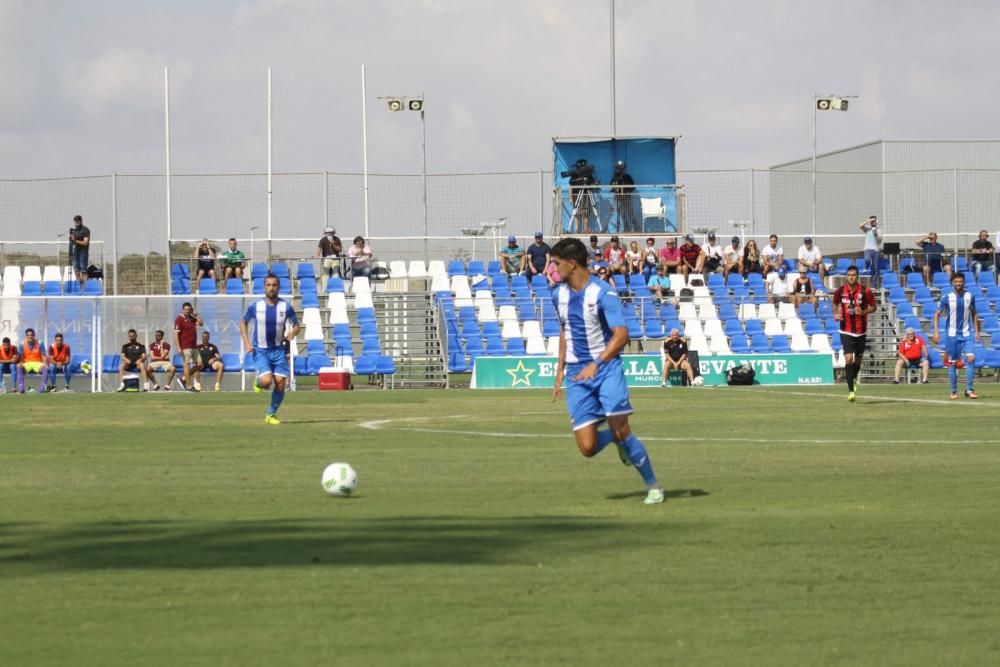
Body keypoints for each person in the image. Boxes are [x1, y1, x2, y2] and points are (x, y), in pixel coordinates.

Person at [548, 237, 664, 505]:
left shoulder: (603, 293)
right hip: (578, 375)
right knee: (587, 448)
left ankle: (653, 486)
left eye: (556, 263)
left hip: (606, 369)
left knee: (623, 429)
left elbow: (622, 335)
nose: (553, 269)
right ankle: (614, 438)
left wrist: (596, 364)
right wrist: (560, 370)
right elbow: (565, 329)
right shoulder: (558, 294)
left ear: (571, 263)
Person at [240, 274, 301, 425]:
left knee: (281, 383)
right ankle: (258, 382)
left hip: (279, 350)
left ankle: (271, 415)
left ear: (278, 287)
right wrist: (247, 343)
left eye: (274, 285)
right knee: (267, 381)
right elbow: (243, 322)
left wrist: (292, 333)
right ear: (264, 287)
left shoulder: (285, 307)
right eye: (268, 285)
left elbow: (297, 325)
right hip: (261, 350)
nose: (271, 288)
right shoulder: (256, 306)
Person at [932, 272, 981, 400]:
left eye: (960, 281)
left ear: (964, 282)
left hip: (966, 333)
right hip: (951, 335)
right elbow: (936, 314)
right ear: (952, 283)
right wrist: (936, 332)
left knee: (971, 359)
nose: (958, 284)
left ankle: (969, 389)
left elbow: (974, 313)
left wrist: (976, 331)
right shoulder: (946, 297)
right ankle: (953, 391)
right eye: (956, 281)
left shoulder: (970, 296)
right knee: (952, 363)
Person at [832, 266, 877, 402]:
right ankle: (851, 391)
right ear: (846, 276)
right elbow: (834, 303)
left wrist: (863, 312)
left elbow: (874, 307)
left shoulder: (865, 291)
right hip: (845, 330)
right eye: (849, 274)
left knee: (857, 361)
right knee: (848, 359)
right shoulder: (840, 291)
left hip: (860, 331)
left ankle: (853, 379)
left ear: (857, 276)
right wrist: (835, 314)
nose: (851, 277)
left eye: (853, 275)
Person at [174, 302, 204, 391]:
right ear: (183, 310)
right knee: (186, 365)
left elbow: (201, 324)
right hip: (185, 346)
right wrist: (179, 347)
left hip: (194, 346)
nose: (187, 311)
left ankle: (183, 379)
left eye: (189, 309)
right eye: (186, 309)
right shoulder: (179, 319)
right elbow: (176, 334)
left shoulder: (192, 318)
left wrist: (196, 315)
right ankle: (189, 386)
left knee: (199, 364)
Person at [17, 328, 49, 394]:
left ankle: (43, 388)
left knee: (45, 368)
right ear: (26, 336)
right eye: (28, 335)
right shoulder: (22, 344)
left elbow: (43, 354)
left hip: (38, 363)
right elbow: (20, 356)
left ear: (34, 335)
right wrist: (20, 363)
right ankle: (21, 388)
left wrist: (45, 363)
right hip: (26, 363)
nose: (30, 336)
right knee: (18, 367)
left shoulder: (40, 342)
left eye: (31, 335)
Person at [609, 160, 637, 232]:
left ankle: (635, 228)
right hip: (618, 198)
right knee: (622, 214)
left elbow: (632, 187)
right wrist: (615, 189)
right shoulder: (615, 177)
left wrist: (628, 190)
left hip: (627, 198)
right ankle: (626, 228)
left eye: (622, 168)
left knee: (630, 213)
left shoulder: (628, 177)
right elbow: (611, 187)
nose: (621, 170)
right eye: (619, 168)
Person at [315, 226, 343, 292]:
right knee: (325, 273)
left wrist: (333, 244)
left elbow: (340, 249)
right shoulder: (323, 240)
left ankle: (335, 287)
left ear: (334, 233)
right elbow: (319, 248)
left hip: (335, 259)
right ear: (325, 233)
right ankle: (325, 288)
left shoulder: (337, 239)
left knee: (336, 273)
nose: (329, 234)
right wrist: (317, 255)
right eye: (328, 233)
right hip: (326, 259)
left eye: (331, 233)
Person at [69, 214, 91, 289]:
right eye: (75, 221)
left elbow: (85, 243)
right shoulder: (74, 230)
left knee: (83, 271)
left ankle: (86, 289)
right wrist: (72, 240)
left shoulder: (85, 230)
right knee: (76, 271)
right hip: (75, 253)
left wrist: (76, 240)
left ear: (81, 221)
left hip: (83, 253)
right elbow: (73, 242)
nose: (76, 223)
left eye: (78, 221)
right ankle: (79, 288)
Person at [860, 216, 881, 286]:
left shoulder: (879, 230)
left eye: (874, 221)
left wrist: (875, 234)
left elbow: (879, 242)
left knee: (876, 268)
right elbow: (860, 226)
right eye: (872, 222)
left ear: (876, 222)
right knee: (867, 259)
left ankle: (874, 284)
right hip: (867, 249)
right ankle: (866, 267)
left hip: (875, 250)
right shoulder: (867, 230)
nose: (873, 223)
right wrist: (868, 221)